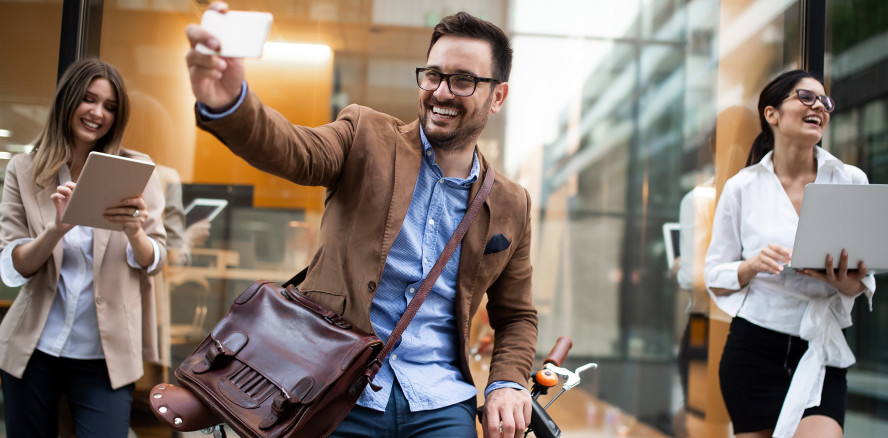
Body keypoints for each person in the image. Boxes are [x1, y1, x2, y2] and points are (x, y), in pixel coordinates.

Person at [185, 3, 537, 438]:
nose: (442, 92)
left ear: (497, 96)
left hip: (440, 401)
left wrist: (506, 383)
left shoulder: (511, 203)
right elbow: (293, 148)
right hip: (332, 388)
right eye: (433, 75)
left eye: (463, 80)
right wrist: (231, 103)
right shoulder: (365, 135)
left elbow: (517, 315)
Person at [0, 57, 168, 437]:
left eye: (110, 107)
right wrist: (55, 231)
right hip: (32, 349)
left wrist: (134, 231)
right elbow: (12, 267)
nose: (98, 113)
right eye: (89, 100)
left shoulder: (136, 170)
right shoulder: (25, 171)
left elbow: (155, 259)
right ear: (68, 101)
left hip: (104, 355)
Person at [704, 70, 874, 438]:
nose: (820, 107)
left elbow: (862, 282)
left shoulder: (850, 180)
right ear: (772, 114)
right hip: (753, 349)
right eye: (806, 97)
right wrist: (751, 266)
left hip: (820, 348)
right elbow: (714, 276)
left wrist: (844, 281)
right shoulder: (742, 188)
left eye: (825, 101)